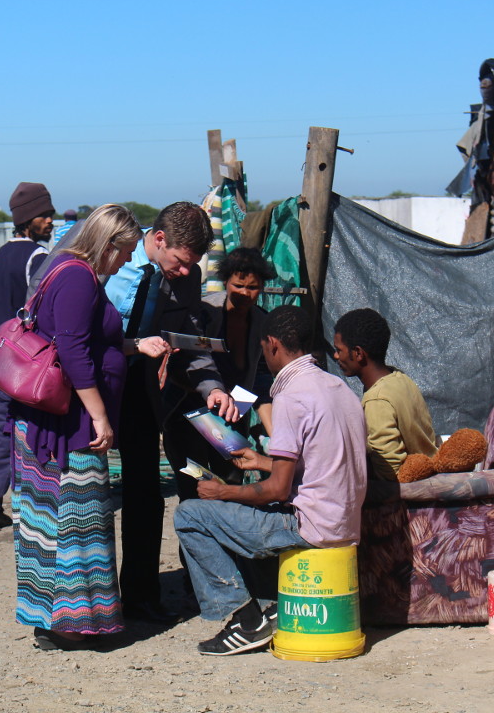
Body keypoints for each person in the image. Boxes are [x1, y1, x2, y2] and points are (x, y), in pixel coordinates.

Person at [174, 305, 368, 655]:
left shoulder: (292, 397)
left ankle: (245, 619)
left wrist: (224, 492)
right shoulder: (339, 389)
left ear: (273, 343)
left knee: (189, 515)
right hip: (344, 521)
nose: (264, 354)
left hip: (311, 527)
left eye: (264, 347)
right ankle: (273, 602)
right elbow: (322, 465)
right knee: (247, 511)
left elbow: (277, 489)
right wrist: (262, 461)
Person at [8, 204, 145, 651]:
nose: (126, 261)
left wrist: (134, 346)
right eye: (123, 252)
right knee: (74, 516)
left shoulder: (68, 270)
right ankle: (68, 622)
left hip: (62, 418)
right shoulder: (77, 277)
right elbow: (71, 347)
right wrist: (100, 414)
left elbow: (85, 338)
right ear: (106, 245)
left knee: (57, 517)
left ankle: (63, 621)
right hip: (71, 423)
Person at [104, 201, 239, 623]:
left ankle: (142, 596)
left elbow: (188, 343)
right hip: (92, 388)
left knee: (144, 491)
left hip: (140, 392)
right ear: (158, 239)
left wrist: (212, 387)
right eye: (180, 262)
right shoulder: (112, 260)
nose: (185, 273)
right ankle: (89, 601)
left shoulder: (187, 278)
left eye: (192, 266)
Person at [0, 182, 56, 530]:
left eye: (49, 214)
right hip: (24, 362)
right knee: (31, 429)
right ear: (26, 220)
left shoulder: (1, 254)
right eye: (43, 215)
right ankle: (36, 501)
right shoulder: (37, 258)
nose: (49, 221)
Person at [165, 247, 277, 497]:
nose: (245, 294)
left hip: (233, 419)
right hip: (189, 415)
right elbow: (184, 363)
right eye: (238, 286)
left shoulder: (261, 323)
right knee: (194, 488)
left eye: (253, 288)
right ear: (226, 282)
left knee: (230, 485)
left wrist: (274, 432)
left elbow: (260, 379)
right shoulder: (204, 314)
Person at [332, 308, 438, 481]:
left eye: (339, 350)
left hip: (408, 495)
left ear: (358, 353)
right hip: (430, 477)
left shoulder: (377, 400)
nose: (336, 356)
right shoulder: (400, 378)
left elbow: (389, 471)